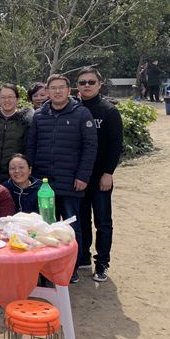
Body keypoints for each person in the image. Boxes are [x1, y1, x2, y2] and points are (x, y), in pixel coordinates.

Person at [27, 73, 97, 283]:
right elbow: (31, 145)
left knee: (70, 227)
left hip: (70, 181)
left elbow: (90, 147)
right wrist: (31, 175)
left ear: (69, 90)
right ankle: (46, 268)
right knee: (44, 226)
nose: (57, 91)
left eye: (61, 87)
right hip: (43, 182)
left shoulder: (81, 113)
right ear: (47, 92)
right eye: (53, 88)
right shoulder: (39, 115)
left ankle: (71, 269)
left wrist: (83, 176)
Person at [76, 67, 123, 283]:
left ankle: (102, 262)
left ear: (100, 84)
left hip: (101, 177)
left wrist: (108, 173)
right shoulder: (74, 109)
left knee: (103, 222)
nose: (86, 86)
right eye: (82, 82)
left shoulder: (109, 111)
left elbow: (116, 145)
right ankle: (84, 256)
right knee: (82, 219)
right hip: (80, 177)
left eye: (91, 82)